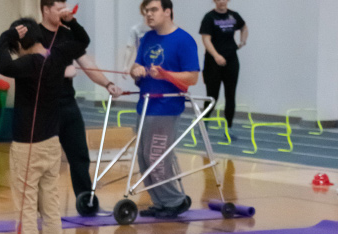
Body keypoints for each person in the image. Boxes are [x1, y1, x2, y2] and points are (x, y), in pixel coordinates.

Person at [0, 12, 89, 234]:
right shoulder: (57, 57)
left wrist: (6, 37)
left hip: (29, 147)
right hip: (51, 144)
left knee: (25, 208)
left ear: (22, 42)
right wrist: (68, 22)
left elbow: (3, 65)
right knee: (49, 208)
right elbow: (83, 39)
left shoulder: (28, 63)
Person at [39, 0, 123, 208]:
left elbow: (86, 64)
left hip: (68, 103)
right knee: (46, 162)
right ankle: (41, 206)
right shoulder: (35, 36)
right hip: (44, 108)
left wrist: (107, 83)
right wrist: (61, 70)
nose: (63, 12)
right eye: (59, 9)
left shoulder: (67, 34)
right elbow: (33, 68)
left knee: (79, 155)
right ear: (46, 9)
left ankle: (86, 200)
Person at [129, 0, 199, 219]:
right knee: (143, 157)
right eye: (146, 11)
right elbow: (134, 67)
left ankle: (174, 201)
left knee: (156, 156)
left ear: (167, 12)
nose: (148, 15)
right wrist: (136, 70)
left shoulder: (184, 40)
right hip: (145, 104)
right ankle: (160, 202)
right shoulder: (148, 38)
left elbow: (192, 77)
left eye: (153, 10)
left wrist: (166, 74)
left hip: (165, 107)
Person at [200, 0, 248, 141]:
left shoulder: (234, 16)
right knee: (212, 96)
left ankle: (229, 128)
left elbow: (244, 27)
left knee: (230, 95)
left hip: (231, 60)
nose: (222, 1)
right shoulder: (209, 17)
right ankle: (205, 125)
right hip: (213, 62)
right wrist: (216, 56)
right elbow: (206, 39)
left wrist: (242, 41)